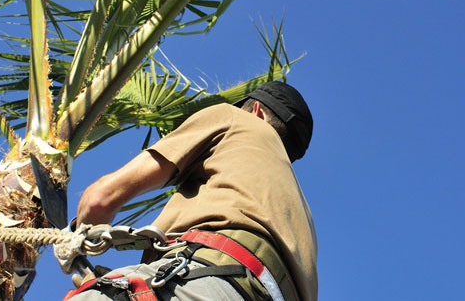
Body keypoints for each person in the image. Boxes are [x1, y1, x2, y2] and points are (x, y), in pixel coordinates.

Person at [64, 81, 317, 301]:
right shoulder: (303, 219)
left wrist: (77, 236)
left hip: (206, 279)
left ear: (258, 111)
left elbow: (100, 200)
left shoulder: (237, 120)